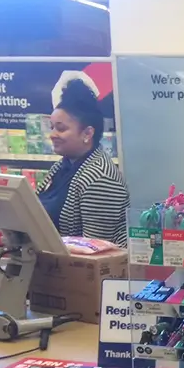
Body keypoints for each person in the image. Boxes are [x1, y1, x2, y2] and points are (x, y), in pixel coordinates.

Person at [37, 79, 130, 246]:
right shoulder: (61, 167)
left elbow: (95, 249)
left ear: (87, 133)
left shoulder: (100, 177)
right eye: (52, 127)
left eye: (61, 128)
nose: (52, 135)